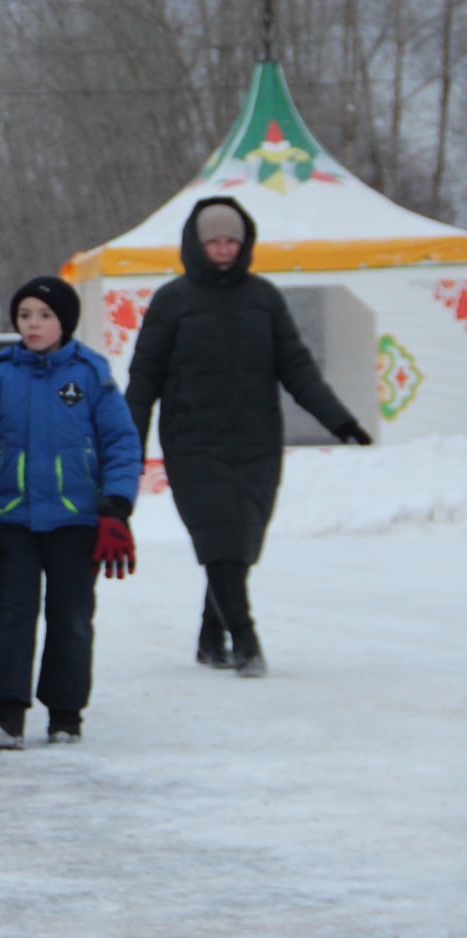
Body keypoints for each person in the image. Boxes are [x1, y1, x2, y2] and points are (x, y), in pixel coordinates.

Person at [124, 198, 369, 677]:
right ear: (197, 244)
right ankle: (245, 638)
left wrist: (341, 422)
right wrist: (129, 446)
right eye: (213, 241)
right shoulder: (172, 301)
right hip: (193, 442)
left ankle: (210, 635)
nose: (222, 249)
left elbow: (298, 369)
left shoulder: (264, 298)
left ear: (244, 244)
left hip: (256, 441)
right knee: (221, 537)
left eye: (231, 241)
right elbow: (143, 380)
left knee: (240, 541)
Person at [0, 277, 142, 750]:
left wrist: (116, 508)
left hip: (76, 522)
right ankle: (6, 713)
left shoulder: (90, 375)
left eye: (45, 315)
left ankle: (65, 714)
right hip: (14, 520)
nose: (34, 325)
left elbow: (121, 443)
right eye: (25, 316)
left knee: (72, 618)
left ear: (64, 322)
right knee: (10, 616)